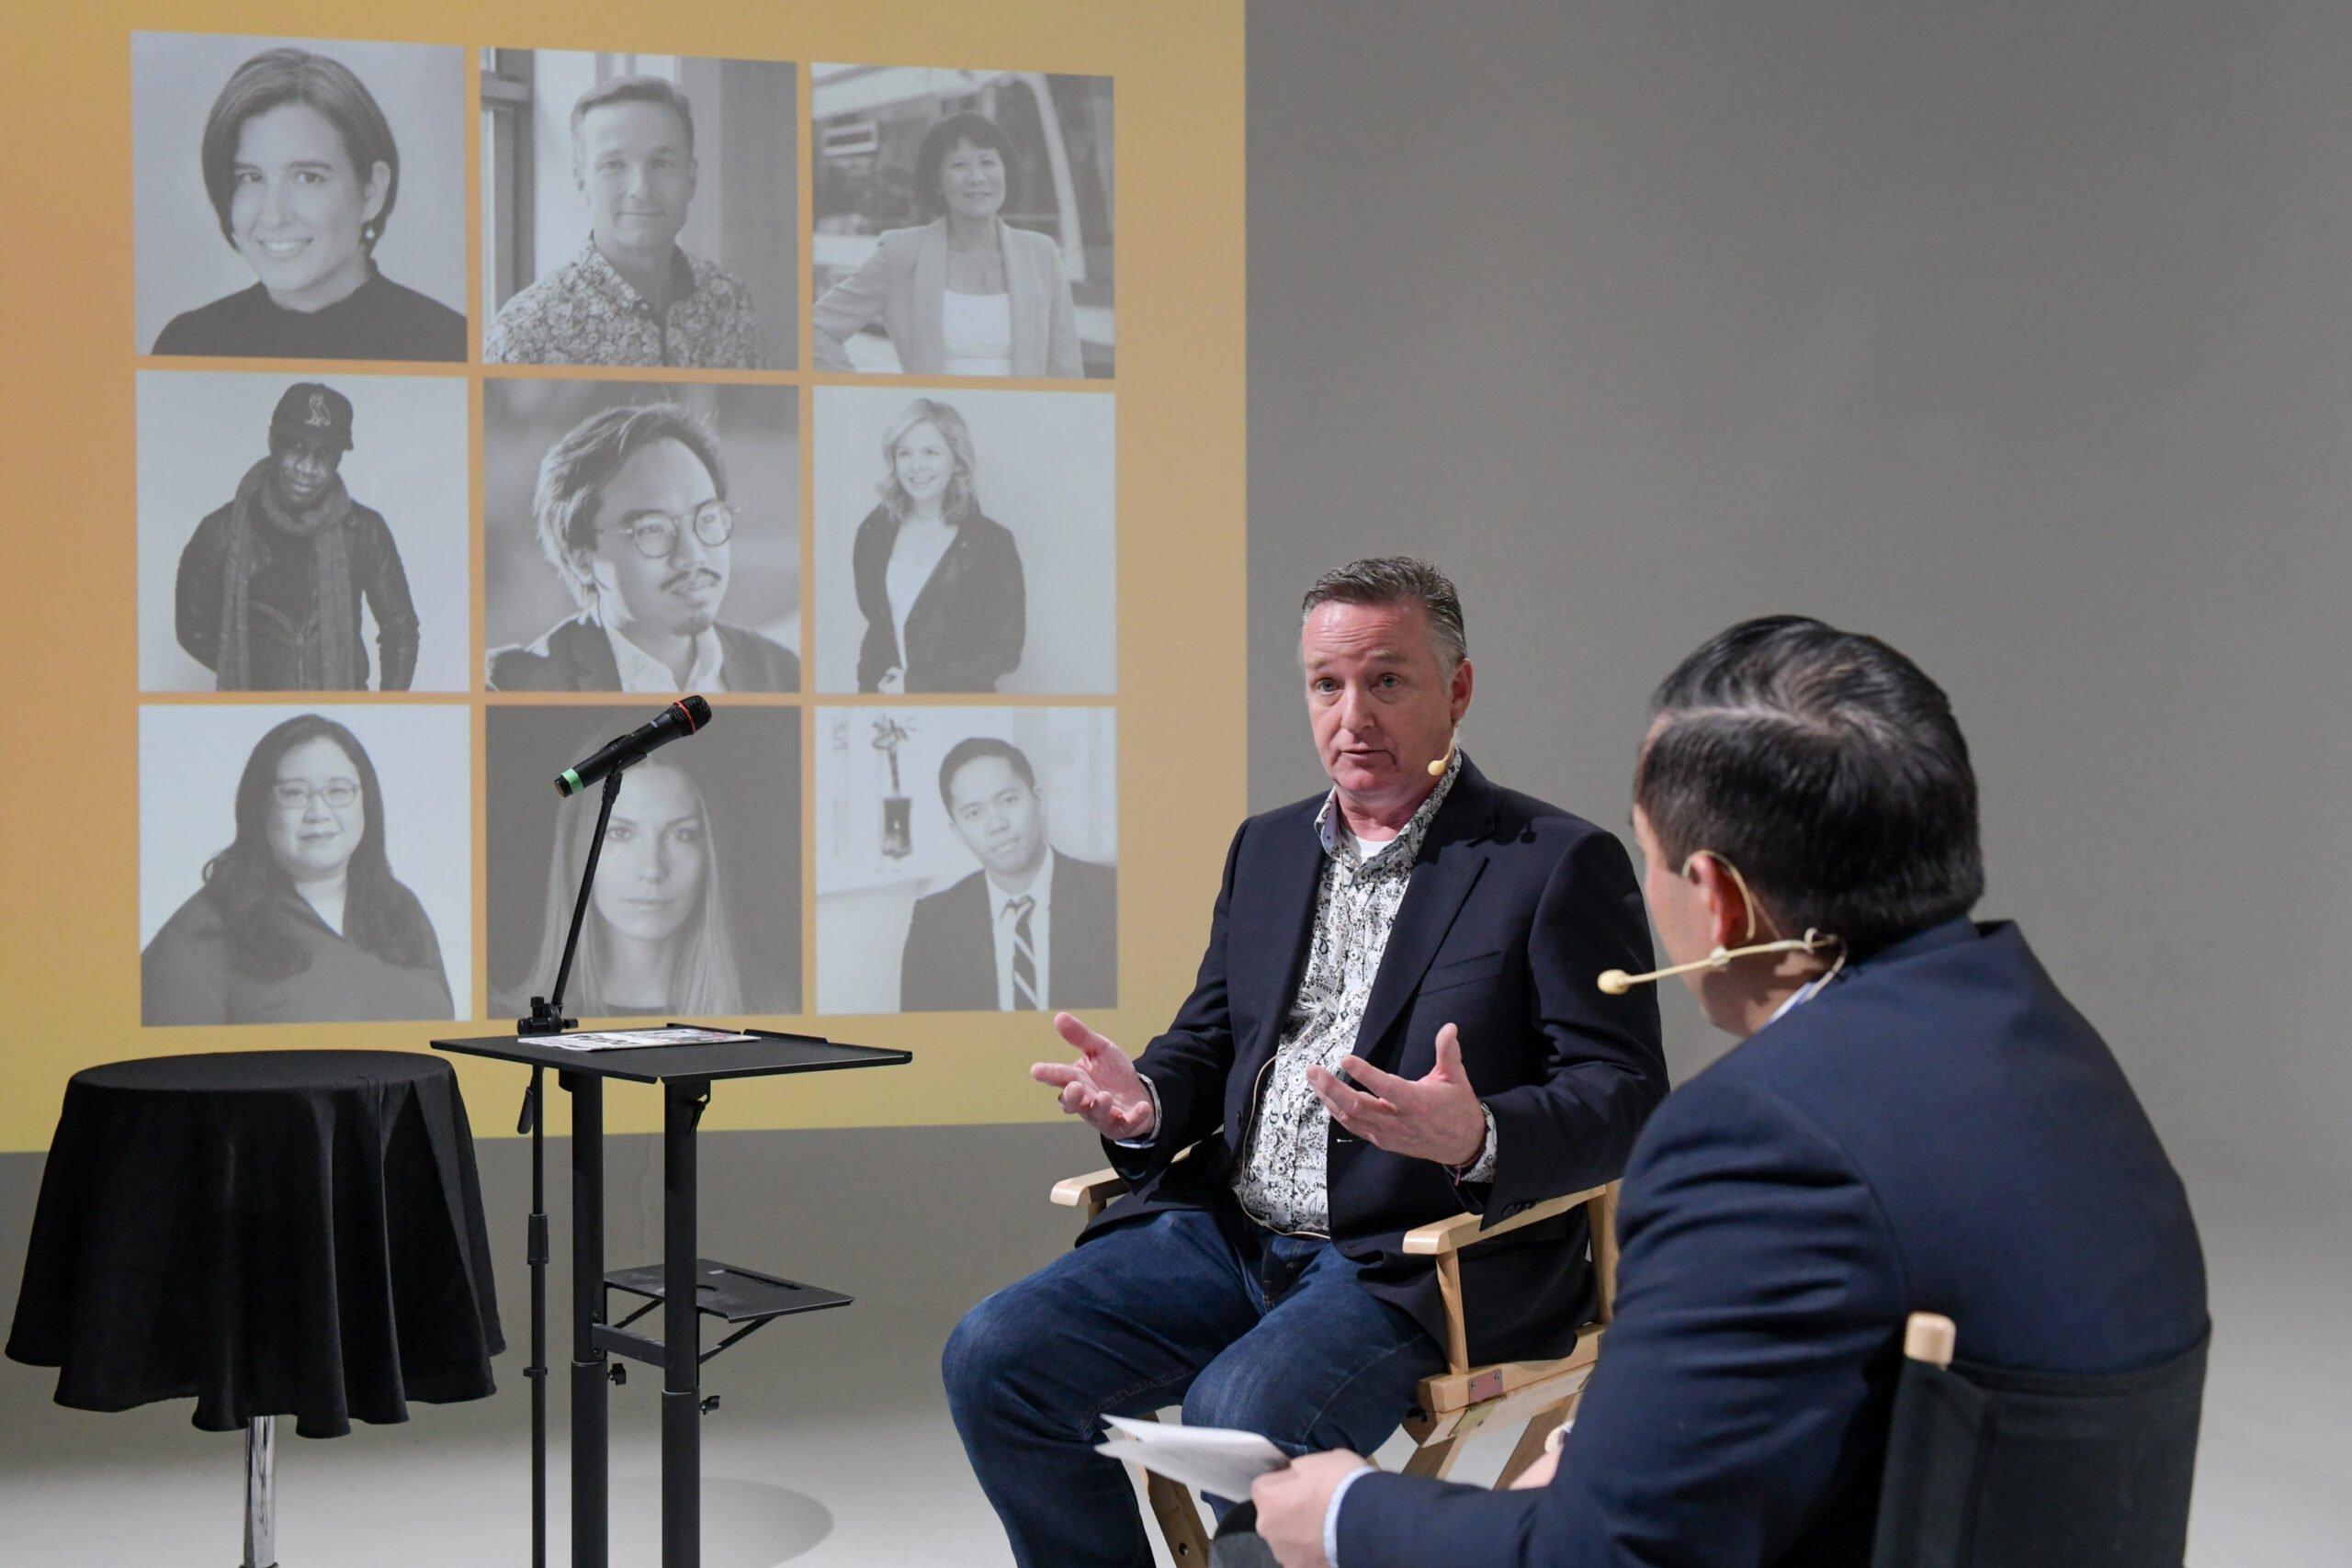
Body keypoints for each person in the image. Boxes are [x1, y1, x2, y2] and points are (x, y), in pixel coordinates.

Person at [1246, 616, 2211, 1568]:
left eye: (1648, 854)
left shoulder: (1760, 1138)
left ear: (1719, 900)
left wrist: (1348, 1515)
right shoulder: (2057, 1048)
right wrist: (1641, 1448)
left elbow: (1607, 1560)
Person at [940, 558, 1668, 1568]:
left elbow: (1625, 1096)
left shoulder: (1551, 861)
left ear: (1457, 690)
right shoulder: (1268, 848)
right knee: (994, 1356)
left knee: (1234, 1413)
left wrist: (1481, 1134)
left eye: (1388, 681)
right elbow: (1208, 1042)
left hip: (1411, 1261)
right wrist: (1145, 1102)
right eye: (1327, 685)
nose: (1352, 715)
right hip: (1230, 1233)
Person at [153, 48, 464, 361]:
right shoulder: (189, 343)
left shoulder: (447, 343)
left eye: (307, 178)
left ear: (372, 191)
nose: (273, 216)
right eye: (250, 178)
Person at [142, 714, 452, 1025]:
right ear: (259, 806)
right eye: (294, 793)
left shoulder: (400, 910)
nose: (318, 812)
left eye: (338, 791)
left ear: (366, 802)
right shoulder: (197, 938)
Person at [487, 401, 800, 693]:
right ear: (581, 559)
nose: (692, 555)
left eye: (707, 518)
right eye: (652, 529)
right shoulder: (513, 687)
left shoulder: (780, 674)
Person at [483, 75, 763, 368]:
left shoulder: (730, 300)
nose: (641, 190)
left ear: (691, 178)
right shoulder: (524, 333)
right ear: (581, 180)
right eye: (614, 165)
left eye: (662, 163)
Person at [173, 381, 420, 692]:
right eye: (297, 447)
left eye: (323, 454)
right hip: (255, 708)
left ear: (338, 460)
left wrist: (386, 712)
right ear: (274, 443)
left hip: (347, 707)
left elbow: (401, 629)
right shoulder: (222, 531)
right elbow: (193, 630)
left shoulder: (364, 531)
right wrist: (253, 672)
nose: (307, 468)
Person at [503, 747, 778, 1017]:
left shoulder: (773, 1012)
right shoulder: (511, 1020)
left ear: (710, 852)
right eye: (621, 833)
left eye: (681, 834)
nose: (652, 869)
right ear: (578, 848)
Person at [811, 110, 1081, 378]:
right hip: (938, 419)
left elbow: (1066, 368)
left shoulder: (1041, 253)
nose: (977, 177)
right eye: (959, 165)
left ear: (1005, 173)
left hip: (1024, 420)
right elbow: (814, 329)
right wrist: (863, 396)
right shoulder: (902, 254)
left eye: (988, 162)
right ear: (937, 182)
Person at [900, 737, 1114, 1011]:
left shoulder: (1109, 896)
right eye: (974, 813)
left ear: (1037, 799)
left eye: (1008, 800)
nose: (997, 824)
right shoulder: (933, 923)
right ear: (957, 831)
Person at [853, 399, 1024, 693]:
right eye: (905, 453)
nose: (916, 466)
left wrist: (915, 684)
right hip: (885, 709)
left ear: (956, 460)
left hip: (959, 710)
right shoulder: (873, 533)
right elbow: (878, 630)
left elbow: (1004, 652)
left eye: (931, 452)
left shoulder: (992, 543)